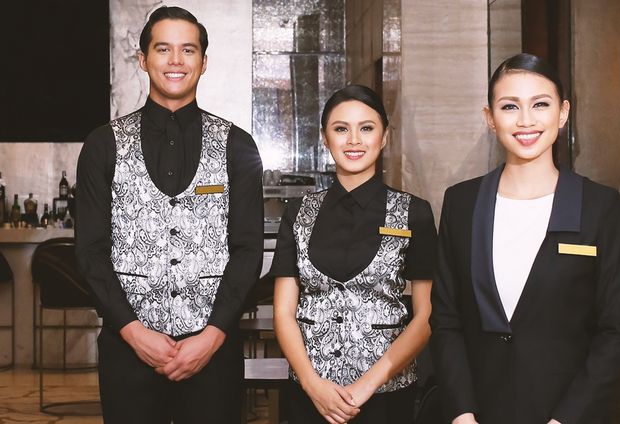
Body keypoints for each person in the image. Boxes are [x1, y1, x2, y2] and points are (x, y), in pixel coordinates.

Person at [75, 6, 263, 424]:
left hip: (212, 352)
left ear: (203, 62)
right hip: (127, 351)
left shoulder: (238, 146)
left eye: (188, 50)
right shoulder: (103, 146)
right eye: (163, 49)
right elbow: (90, 251)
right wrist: (133, 331)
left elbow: (248, 251)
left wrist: (212, 335)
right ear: (143, 59)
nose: (176, 60)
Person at [429, 53, 620, 424]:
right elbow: (446, 319)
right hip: (479, 414)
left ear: (563, 112)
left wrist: (565, 420)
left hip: (570, 415)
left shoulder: (599, 207)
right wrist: (462, 412)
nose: (526, 120)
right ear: (490, 117)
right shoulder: (462, 203)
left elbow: (617, 331)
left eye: (540, 104)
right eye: (510, 106)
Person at [271, 84, 437, 424]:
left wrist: (367, 386)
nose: (354, 140)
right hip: (310, 394)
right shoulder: (298, 212)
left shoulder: (413, 212)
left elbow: (426, 315)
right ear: (325, 138)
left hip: (386, 396)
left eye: (366, 128)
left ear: (384, 136)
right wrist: (311, 383)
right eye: (341, 129)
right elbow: (283, 312)